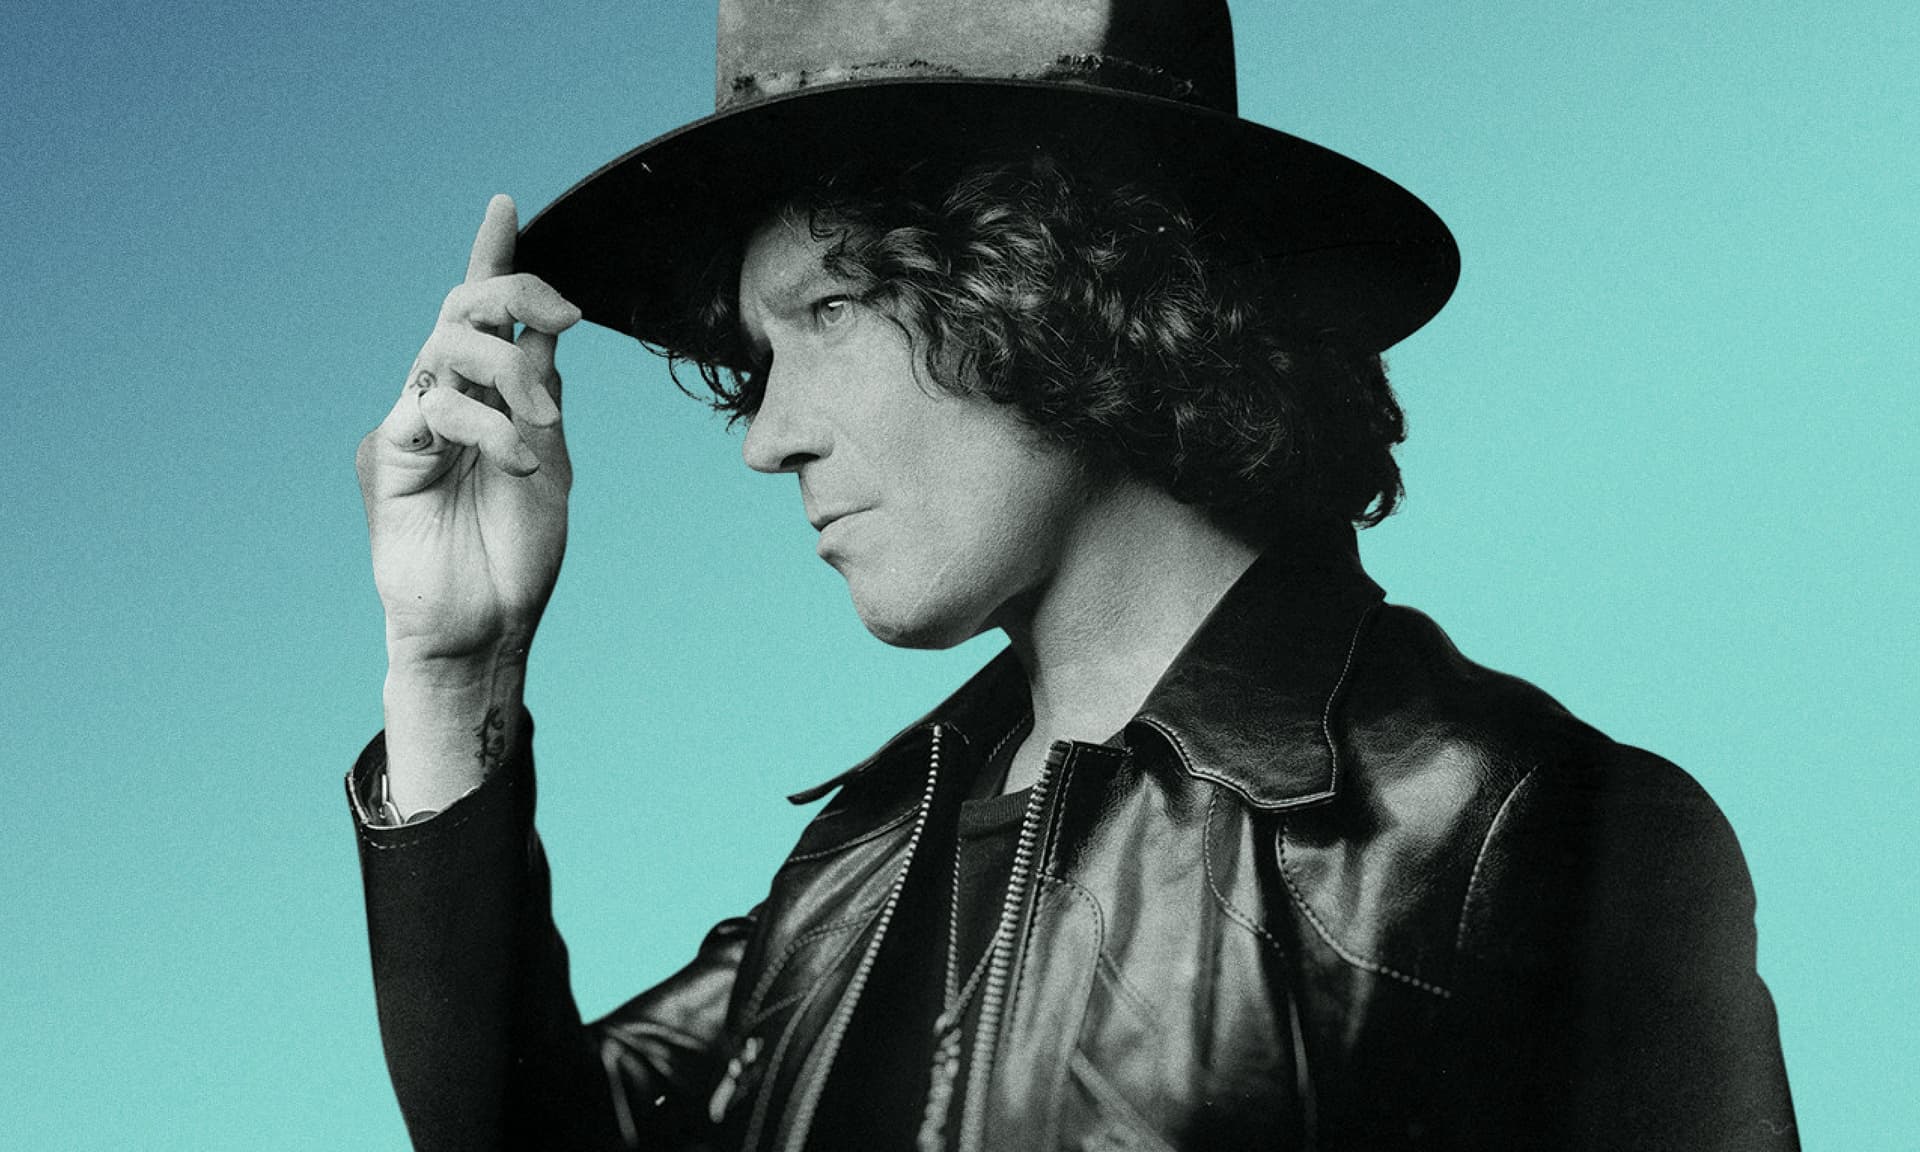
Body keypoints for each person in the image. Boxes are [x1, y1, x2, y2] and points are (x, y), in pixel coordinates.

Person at [348, 2, 1797, 1149]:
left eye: (831, 309)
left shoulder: (1507, 834)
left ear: (1065, 275)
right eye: (761, 355)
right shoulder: (856, 865)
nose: (767, 437)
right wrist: (452, 665)